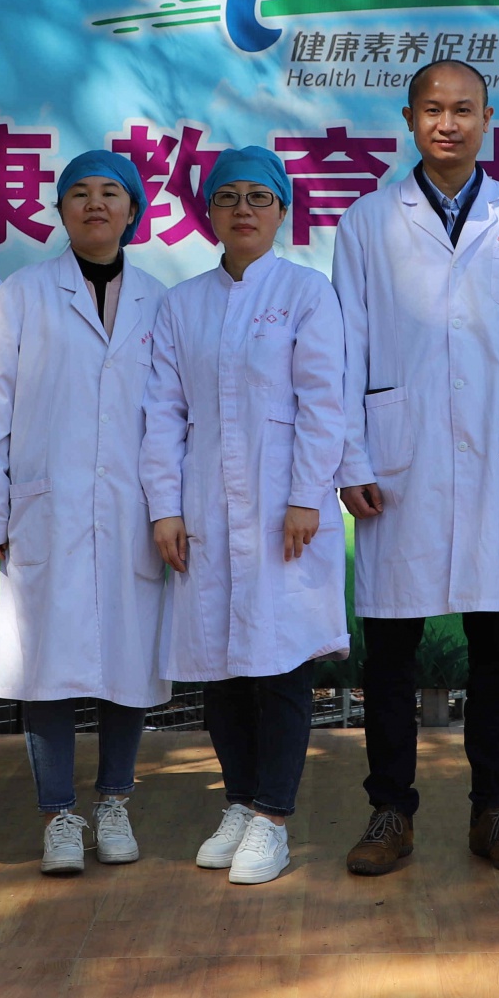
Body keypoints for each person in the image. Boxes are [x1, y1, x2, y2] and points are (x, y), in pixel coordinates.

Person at [333, 59, 499, 877]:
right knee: (390, 652)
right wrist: (350, 456)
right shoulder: (368, 220)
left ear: (488, 118)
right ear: (409, 118)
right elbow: (346, 349)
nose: (447, 122)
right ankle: (390, 809)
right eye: (432, 109)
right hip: (397, 462)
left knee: (498, 649)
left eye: (463, 109)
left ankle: (494, 808)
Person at [144, 147, 350, 886]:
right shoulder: (182, 303)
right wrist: (165, 507)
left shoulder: (305, 293)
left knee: (282, 664)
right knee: (222, 667)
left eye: (258, 197)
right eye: (227, 196)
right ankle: (237, 801)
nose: (242, 210)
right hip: (204, 505)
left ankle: (273, 817)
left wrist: (306, 495)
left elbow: (324, 402)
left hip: (281, 506)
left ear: (282, 210)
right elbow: (163, 412)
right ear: (208, 212)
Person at [0, 150, 172, 877]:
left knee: (129, 660)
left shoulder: (159, 300)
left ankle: (114, 800)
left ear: (133, 210)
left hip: (131, 509)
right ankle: (58, 813)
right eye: (79, 193)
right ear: (60, 211)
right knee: (46, 665)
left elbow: (171, 415)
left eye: (111, 193)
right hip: (45, 507)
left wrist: (169, 507)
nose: (95, 204)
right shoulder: (23, 293)